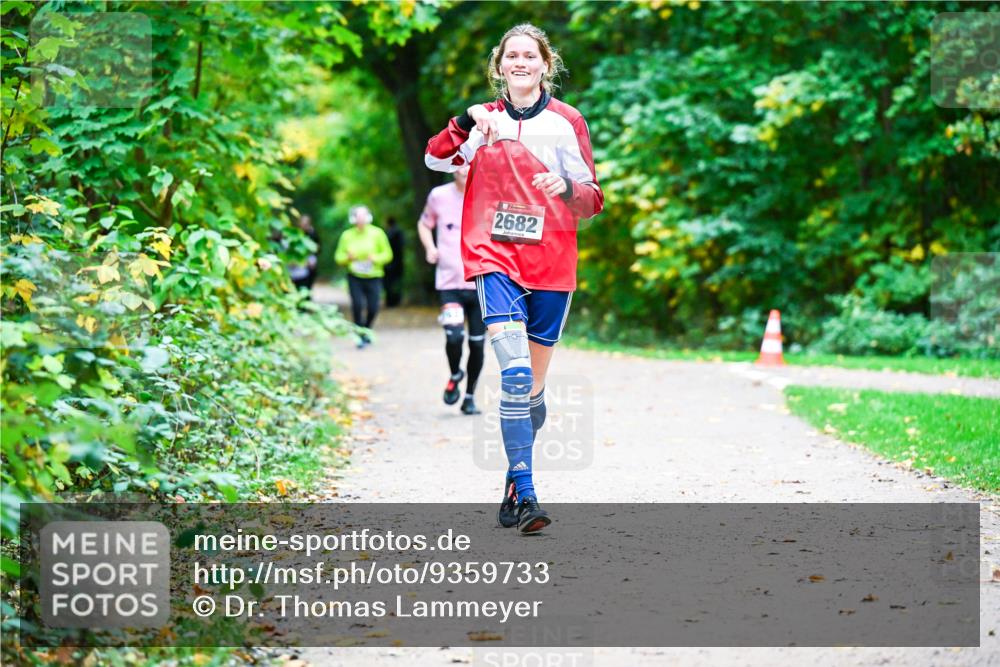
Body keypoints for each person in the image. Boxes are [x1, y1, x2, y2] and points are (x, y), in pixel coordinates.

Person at [424, 24, 603, 533]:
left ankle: (511, 473)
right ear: (500, 67)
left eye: (530, 55)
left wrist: (565, 184)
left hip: (551, 262)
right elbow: (435, 157)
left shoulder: (567, 122)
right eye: (511, 56)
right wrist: (464, 120)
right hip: (492, 256)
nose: (521, 62)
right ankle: (527, 495)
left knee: (532, 392)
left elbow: (593, 200)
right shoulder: (482, 121)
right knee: (514, 374)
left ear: (546, 64)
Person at [417, 164, 485, 416]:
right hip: (449, 283)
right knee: (454, 337)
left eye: (470, 164)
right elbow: (424, 225)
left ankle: (469, 397)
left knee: (477, 344)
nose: (464, 169)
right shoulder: (438, 196)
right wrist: (430, 248)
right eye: (459, 163)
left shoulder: (487, 194)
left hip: (480, 283)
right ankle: (456, 372)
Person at [334, 205, 394, 348]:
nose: (361, 220)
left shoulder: (378, 233)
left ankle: (366, 330)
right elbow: (338, 257)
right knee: (357, 305)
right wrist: (347, 258)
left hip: (374, 276)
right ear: (353, 219)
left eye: (363, 216)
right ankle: (359, 334)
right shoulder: (347, 235)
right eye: (358, 217)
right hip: (355, 276)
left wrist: (376, 259)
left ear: (368, 218)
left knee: (373, 307)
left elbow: (388, 254)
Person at [289, 214, 319, 296]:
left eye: (305, 224)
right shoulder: (293, 234)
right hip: (294, 268)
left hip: (307, 268)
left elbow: (316, 250)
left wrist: (311, 262)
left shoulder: (312, 234)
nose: (303, 226)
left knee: (306, 290)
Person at [383, 216, 405, 307]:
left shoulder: (388, 233)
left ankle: (390, 301)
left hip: (389, 262)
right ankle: (396, 300)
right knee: (397, 281)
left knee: (388, 282)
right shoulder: (400, 232)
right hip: (398, 262)